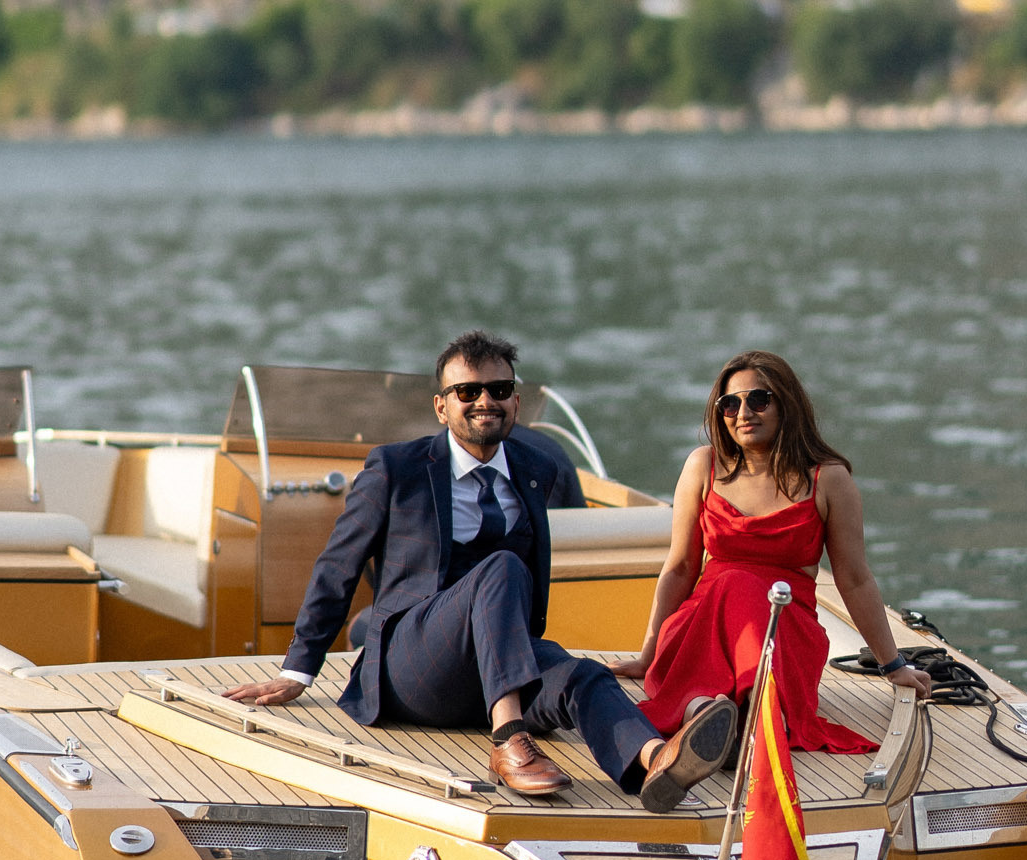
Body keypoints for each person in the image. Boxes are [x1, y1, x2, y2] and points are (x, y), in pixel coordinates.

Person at [224, 329, 739, 808]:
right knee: (503, 568)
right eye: (468, 392)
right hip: (412, 664)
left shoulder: (538, 469)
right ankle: (509, 740)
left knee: (582, 674)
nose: (485, 401)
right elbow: (339, 564)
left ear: (516, 400)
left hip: (495, 667)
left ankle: (656, 763)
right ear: (441, 407)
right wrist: (299, 668)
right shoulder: (396, 468)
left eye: (498, 388)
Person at [605, 351, 928, 755]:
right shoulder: (702, 465)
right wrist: (647, 654)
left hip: (784, 628)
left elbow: (854, 577)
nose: (743, 413)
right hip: (703, 626)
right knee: (733, 583)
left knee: (742, 587)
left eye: (758, 400)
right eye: (730, 403)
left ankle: (713, 720)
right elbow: (682, 567)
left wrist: (893, 664)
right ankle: (719, 719)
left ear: (786, 405)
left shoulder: (829, 479)